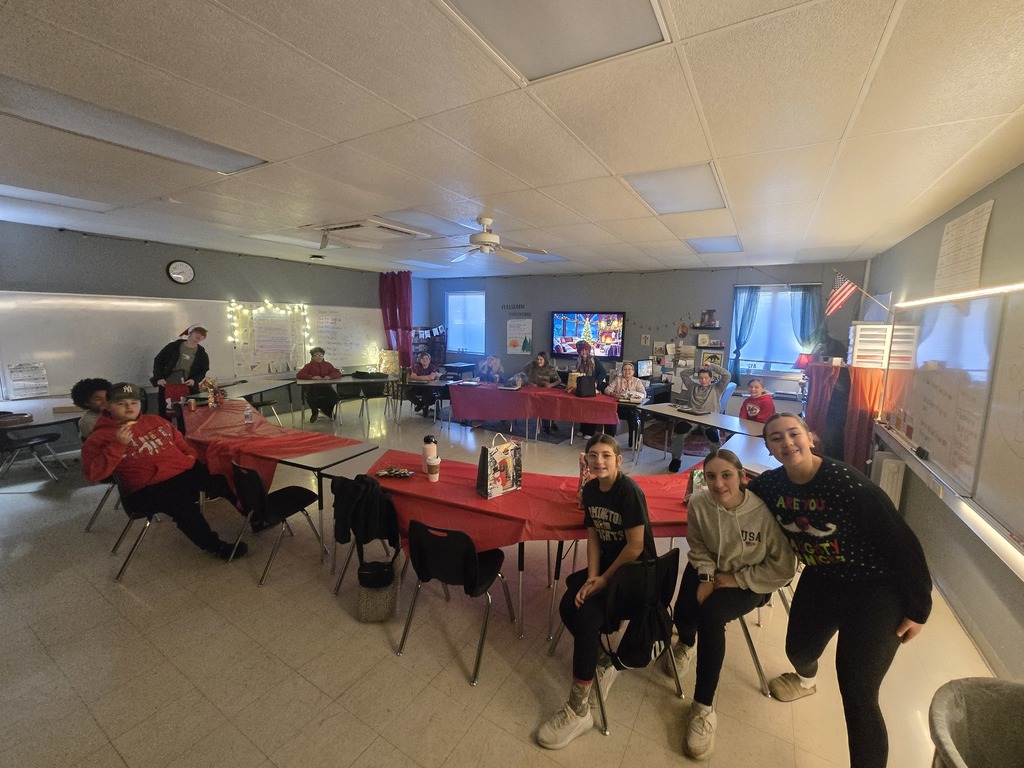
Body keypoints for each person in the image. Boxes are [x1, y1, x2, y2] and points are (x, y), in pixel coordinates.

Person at [748, 413, 932, 768]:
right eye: (776, 439)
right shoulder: (771, 486)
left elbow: (903, 544)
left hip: (877, 589)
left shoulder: (849, 485)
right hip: (822, 577)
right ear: (769, 449)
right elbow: (739, 501)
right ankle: (805, 680)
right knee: (798, 649)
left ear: (810, 437)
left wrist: (918, 609)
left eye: (793, 434)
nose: (787, 443)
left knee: (858, 691)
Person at [660, 449, 796, 759]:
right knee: (683, 612)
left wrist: (735, 580)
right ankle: (687, 644)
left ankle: (703, 708)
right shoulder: (699, 503)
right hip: (711, 568)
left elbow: (784, 567)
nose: (719, 484)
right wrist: (708, 577)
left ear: (742, 478)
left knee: (711, 615)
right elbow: (696, 545)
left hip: (752, 579)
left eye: (726, 475)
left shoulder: (762, 514)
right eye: (711, 476)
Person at [536, 434, 657, 750]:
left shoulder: (628, 491)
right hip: (606, 567)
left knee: (587, 616)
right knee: (568, 604)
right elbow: (593, 538)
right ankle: (602, 662)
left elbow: (635, 547)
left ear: (618, 460)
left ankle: (579, 709)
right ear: (585, 461)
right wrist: (592, 577)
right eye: (593, 456)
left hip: (636, 572)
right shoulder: (590, 490)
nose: (599, 461)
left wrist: (603, 580)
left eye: (606, 455)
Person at [81, 382, 246, 560]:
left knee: (223, 476)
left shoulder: (155, 420)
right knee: (182, 504)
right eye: (121, 404)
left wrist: (190, 457)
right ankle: (216, 547)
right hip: (147, 487)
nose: (129, 407)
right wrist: (117, 445)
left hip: (182, 471)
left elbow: (183, 443)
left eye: (133, 402)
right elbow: (94, 474)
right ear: (108, 406)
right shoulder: (99, 437)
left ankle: (255, 515)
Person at [668, 362, 731, 473]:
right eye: (701, 378)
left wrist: (711, 367)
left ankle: (716, 461)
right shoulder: (692, 386)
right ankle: (676, 459)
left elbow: (727, 375)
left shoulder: (717, 388)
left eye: (706, 378)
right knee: (678, 431)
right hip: (692, 417)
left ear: (711, 378)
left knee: (713, 436)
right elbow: (683, 374)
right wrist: (698, 368)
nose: (703, 380)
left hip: (709, 419)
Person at [151, 324, 210, 419]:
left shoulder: (202, 354)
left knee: (185, 416)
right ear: (190, 333)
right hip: (168, 385)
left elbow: (203, 371)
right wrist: (159, 378)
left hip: (187, 388)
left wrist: (194, 380)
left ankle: (183, 434)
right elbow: (158, 361)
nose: (199, 335)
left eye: (202, 334)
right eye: (197, 332)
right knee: (166, 414)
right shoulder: (173, 347)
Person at [604, 363, 646, 448]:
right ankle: (610, 440)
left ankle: (633, 442)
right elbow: (607, 389)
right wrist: (614, 394)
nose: (627, 371)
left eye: (629, 369)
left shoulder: (637, 381)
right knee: (609, 414)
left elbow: (644, 394)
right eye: (625, 369)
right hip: (619, 407)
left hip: (632, 408)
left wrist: (634, 395)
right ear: (622, 371)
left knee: (633, 416)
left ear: (633, 372)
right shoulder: (617, 380)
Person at [296, 346, 342, 422]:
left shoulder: (328, 365)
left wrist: (330, 376)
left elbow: (337, 373)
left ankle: (327, 411)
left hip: (326, 387)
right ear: (312, 357)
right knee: (312, 398)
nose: (319, 357)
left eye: (320, 355)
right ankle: (315, 412)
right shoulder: (308, 366)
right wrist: (312, 377)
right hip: (313, 387)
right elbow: (299, 375)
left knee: (334, 397)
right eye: (316, 355)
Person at [573, 341, 608, 438]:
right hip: (583, 388)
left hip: (594, 388)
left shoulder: (594, 360)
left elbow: (603, 372)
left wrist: (596, 382)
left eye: (585, 350)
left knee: (592, 409)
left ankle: (590, 431)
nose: (583, 352)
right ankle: (582, 429)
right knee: (583, 408)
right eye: (581, 350)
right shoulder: (578, 361)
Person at [522, 351, 561, 434]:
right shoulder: (532, 365)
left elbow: (558, 381)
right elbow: (523, 371)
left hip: (545, 391)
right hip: (532, 390)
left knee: (547, 405)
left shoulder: (550, 369)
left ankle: (547, 424)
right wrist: (527, 381)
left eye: (541, 359)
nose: (538, 361)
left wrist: (550, 385)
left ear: (545, 360)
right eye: (537, 359)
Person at [406, 352, 440, 418]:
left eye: (427, 358)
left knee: (428, 394)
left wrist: (419, 377)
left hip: (429, 387)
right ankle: (422, 405)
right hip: (418, 386)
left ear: (429, 360)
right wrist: (426, 377)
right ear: (420, 360)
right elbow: (413, 376)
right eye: (423, 358)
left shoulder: (432, 367)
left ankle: (422, 405)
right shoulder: (417, 366)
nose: (425, 360)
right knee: (408, 394)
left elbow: (432, 377)